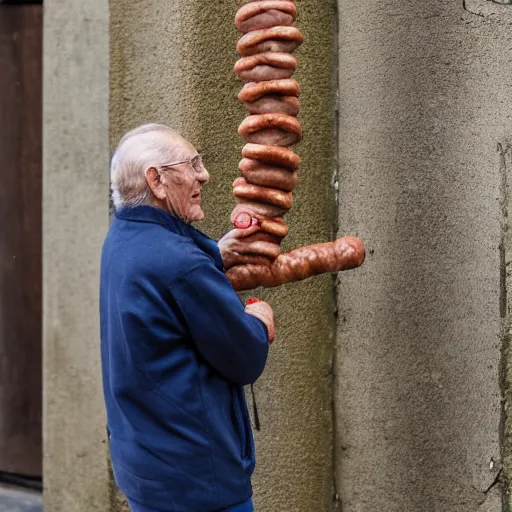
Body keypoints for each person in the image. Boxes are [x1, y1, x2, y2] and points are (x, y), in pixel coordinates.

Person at [100, 124, 275, 512]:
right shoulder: (182, 266)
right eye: (192, 164)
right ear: (157, 181)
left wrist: (215, 251)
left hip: (148, 469)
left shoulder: (121, 240)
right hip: (198, 483)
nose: (204, 175)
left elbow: (164, 268)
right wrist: (260, 321)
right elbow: (245, 357)